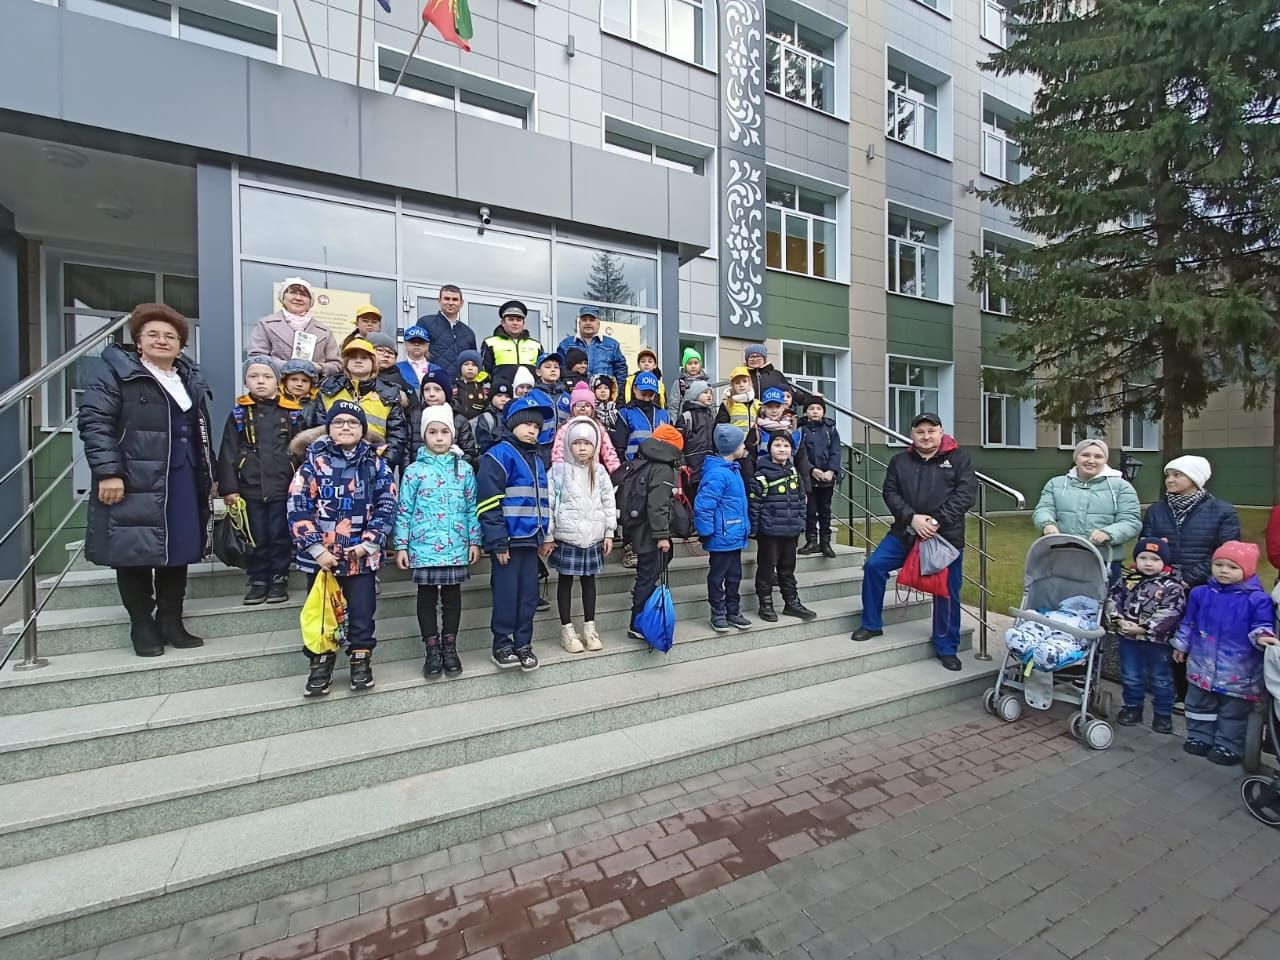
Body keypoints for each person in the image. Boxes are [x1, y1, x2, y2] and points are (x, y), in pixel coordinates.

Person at [79, 303, 216, 658]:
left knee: (180, 548)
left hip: (182, 476)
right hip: (134, 475)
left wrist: (210, 475)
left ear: (181, 345)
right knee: (134, 550)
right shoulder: (117, 372)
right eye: (153, 334)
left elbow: (198, 429)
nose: (162, 340)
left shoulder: (188, 378)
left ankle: (171, 619)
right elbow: (96, 423)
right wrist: (108, 471)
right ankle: (142, 623)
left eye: (171, 336)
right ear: (138, 341)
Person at [851, 413, 977, 671]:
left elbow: (965, 495)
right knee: (874, 566)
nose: (926, 436)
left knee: (947, 590)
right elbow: (890, 492)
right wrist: (912, 518)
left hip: (944, 537)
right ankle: (871, 624)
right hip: (904, 532)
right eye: (920, 431)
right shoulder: (900, 461)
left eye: (931, 430)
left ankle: (946, 646)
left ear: (941, 432)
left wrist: (936, 522)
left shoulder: (959, 459)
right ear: (912, 435)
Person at [289, 400, 397, 696]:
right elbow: (298, 507)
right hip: (322, 561)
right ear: (329, 428)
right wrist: (315, 549)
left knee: (362, 613)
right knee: (323, 613)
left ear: (362, 430)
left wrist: (369, 543)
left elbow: (387, 505)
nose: (346, 427)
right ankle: (321, 663)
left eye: (353, 422)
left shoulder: (376, 464)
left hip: (361, 558)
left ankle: (360, 659)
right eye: (339, 423)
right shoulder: (312, 464)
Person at [1139, 454, 1241, 711]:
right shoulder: (1158, 510)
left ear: (1195, 479)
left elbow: (1225, 552)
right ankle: (1175, 692)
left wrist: (1189, 578)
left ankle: (1201, 694)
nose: (1170, 480)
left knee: (1198, 637)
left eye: (1177, 475)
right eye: (1168, 475)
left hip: (1204, 587)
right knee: (1168, 635)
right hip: (1164, 585)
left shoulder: (1222, 511)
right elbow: (1148, 545)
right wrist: (1166, 575)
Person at [395, 405, 482, 680]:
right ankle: (431, 648)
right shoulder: (413, 471)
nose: (439, 437)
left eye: (445, 431)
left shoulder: (465, 469)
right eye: (433, 432)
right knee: (427, 598)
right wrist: (401, 545)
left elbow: (471, 508)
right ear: (424, 436)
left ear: (453, 435)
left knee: (452, 598)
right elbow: (404, 509)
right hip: (423, 546)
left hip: (455, 544)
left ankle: (450, 646)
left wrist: (474, 541)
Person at [1172, 541, 1277, 766]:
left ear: (1247, 570)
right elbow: (1188, 621)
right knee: (1199, 703)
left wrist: (1261, 636)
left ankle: (1228, 745)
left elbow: (1261, 624)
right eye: (1218, 564)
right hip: (1202, 663)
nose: (1223, 570)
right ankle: (1199, 736)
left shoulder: (1257, 600)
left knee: (1233, 711)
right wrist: (1181, 644)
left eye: (1232, 567)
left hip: (1238, 669)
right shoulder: (1200, 594)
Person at [217, 356, 304, 606]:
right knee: (255, 534)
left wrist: (302, 484)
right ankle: (257, 578)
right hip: (250, 486)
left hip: (283, 485)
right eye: (254, 376)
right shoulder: (239, 413)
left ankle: (278, 577)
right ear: (245, 380)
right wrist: (229, 487)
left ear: (277, 381)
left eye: (267, 376)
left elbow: (301, 452)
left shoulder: (292, 413)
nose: (261, 381)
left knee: (279, 533)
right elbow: (228, 452)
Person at [477, 394, 554, 672]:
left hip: (531, 540)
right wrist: (498, 542)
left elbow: (543, 500)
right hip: (508, 541)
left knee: (529, 596)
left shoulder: (536, 459)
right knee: (506, 594)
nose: (533, 430)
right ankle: (502, 644)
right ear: (512, 424)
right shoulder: (498, 454)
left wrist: (545, 536)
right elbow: (488, 503)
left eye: (537, 426)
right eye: (527, 424)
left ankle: (524, 643)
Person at [1105, 538, 1188, 735]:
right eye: (1143, 557)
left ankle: (1162, 715)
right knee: (1131, 675)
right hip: (1129, 639)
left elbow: (1171, 612)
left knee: (1161, 678)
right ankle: (1133, 708)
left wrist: (1144, 628)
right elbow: (1112, 599)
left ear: (1164, 561)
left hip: (1157, 642)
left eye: (1154, 559)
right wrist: (1119, 621)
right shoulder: (1128, 580)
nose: (1148, 563)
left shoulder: (1172, 586)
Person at [548, 418, 617, 653]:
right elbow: (549, 502)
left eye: (587, 443)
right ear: (569, 445)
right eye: (577, 443)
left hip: (593, 537)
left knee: (589, 583)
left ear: (595, 446)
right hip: (567, 536)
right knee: (565, 582)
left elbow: (608, 502)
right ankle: (567, 629)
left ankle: (590, 627)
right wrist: (548, 535)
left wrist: (609, 531)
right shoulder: (559, 471)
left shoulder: (599, 472)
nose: (582, 448)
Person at [1032, 438, 1142, 581]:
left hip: (1102, 560)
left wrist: (1108, 533)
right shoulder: (1056, 484)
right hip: (1060, 557)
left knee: (1102, 603)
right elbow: (1043, 509)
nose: (1091, 460)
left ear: (1105, 460)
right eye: (1085, 455)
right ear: (1076, 457)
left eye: (1098, 456)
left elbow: (1131, 521)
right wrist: (1047, 524)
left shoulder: (1122, 487)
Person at [295, 337, 409, 470]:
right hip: (333, 466)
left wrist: (381, 464)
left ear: (373, 363)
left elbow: (397, 436)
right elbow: (320, 429)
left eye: (364, 358)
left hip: (374, 465)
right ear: (346, 363)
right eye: (353, 357)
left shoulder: (389, 393)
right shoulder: (328, 389)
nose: (358, 360)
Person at [749, 431, 817, 623]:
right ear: (769, 449)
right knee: (767, 568)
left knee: (787, 568)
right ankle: (766, 603)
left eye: (786, 446)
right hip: (769, 531)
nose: (782, 449)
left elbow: (801, 500)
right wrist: (754, 528)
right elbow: (755, 503)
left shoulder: (794, 473)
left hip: (791, 530)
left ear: (791, 450)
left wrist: (800, 522)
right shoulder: (761, 474)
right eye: (777, 445)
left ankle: (791, 602)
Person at [623, 424, 683, 640]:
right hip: (651, 532)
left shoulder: (643, 462)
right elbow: (658, 505)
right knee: (647, 577)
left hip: (640, 528)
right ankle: (637, 622)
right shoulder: (664, 469)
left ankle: (641, 610)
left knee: (649, 572)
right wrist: (662, 536)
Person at [696, 424, 753, 633]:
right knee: (718, 576)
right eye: (742, 442)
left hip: (734, 535)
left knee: (734, 575)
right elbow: (704, 505)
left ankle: (733, 611)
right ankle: (718, 612)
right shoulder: (718, 474)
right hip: (721, 536)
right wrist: (706, 532)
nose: (745, 446)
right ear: (733, 447)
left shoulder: (732, 470)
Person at [249, 277, 341, 377]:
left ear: (311, 302)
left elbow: (337, 365)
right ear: (283, 297)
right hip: (277, 388)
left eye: (304, 295)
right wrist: (289, 366)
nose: (298, 298)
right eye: (293, 292)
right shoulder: (266, 324)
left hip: (314, 389)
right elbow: (256, 357)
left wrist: (317, 367)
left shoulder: (325, 331)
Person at [798, 397, 840, 558]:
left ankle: (825, 542)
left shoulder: (831, 429)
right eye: (811, 408)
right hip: (809, 477)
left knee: (825, 510)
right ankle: (811, 541)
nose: (815, 411)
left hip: (826, 479)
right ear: (806, 411)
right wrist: (811, 469)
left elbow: (835, 452)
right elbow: (800, 453)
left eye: (818, 408)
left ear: (823, 412)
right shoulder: (801, 429)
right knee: (810, 510)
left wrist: (831, 471)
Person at [411, 369, 479, 468]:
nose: (431, 394)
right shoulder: (414, 415)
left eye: (437, 389)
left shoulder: (459, 419)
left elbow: (469, 453)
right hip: (419, 476)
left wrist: (457, 468)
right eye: (426, 389)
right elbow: (406, 452)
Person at [552, 381, 622, 474]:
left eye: (587, 405)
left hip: (592, 473)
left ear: (593, 409)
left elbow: (608, 451)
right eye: (578, 405)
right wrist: (558, 472)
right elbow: (558, 451)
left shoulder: (598, 427)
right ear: (572, 408)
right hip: (570, 473)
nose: (583, 408)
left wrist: (616, 472)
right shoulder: (566, 427)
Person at [419, 284, 477, 379]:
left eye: (455, 299)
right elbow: (417, 354)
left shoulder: (468, 333)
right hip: (433, 382)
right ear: (439, 301)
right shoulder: (425, 323)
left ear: (461, 303)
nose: (450, 303)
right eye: (446, 298)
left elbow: (473, 363)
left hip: (460, 387)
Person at [557, 305, 628, 383]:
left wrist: (617, 393)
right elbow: (560, 371)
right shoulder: (565, 344)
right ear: (579, 323)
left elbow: (621, 371)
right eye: (584, 320)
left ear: (598, 323)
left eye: (592, 320)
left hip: (604, 394)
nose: (588, 323)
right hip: (575, 393)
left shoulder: (612, 345)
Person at [480, 300, 543, 380]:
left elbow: (543, 372)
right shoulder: (490, 343)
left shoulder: (536, 345)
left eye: (518, 320)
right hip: (502, 391)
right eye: (511, 319)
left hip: (530, 391)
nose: (515, 323)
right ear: (503, 322)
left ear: (524, 323)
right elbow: (484, 372)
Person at [676, 379, 715, 501]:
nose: (709, 395)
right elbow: (678, 441)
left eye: (710, 393)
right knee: (692, 498)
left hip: (708, 465)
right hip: (692, 467)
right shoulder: (687, 417)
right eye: (705, 392)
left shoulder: (710, 416)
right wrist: (681, 462)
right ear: (695, 395)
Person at [472, 372, 514, 454]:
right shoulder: (487, 417)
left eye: (507, 396)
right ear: (491, 398)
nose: (503, 399)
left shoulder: (514, 417)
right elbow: (484, 443)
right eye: (499, 396)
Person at [395, 325, 437, 396]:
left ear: (427, 345)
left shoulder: (437, 370)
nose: (416, 344)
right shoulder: (396, 369)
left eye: (421, 341)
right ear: (406, 344)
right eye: (412, 341)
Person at [453, 349, 489, 418]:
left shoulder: (484, 391)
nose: (470, 368)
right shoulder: (454, 389)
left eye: (474, 365)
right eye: (466, 364)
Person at [669, 347, 705, 415]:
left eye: (696, 363)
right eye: (689, 363)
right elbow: (673, 407)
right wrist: (674, 424)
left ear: (700, 365)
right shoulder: (679, 383)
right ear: (685, 366)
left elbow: (712, 407)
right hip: (684, 422)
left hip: (702, 422)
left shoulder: (705, 384)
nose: (693, 366)